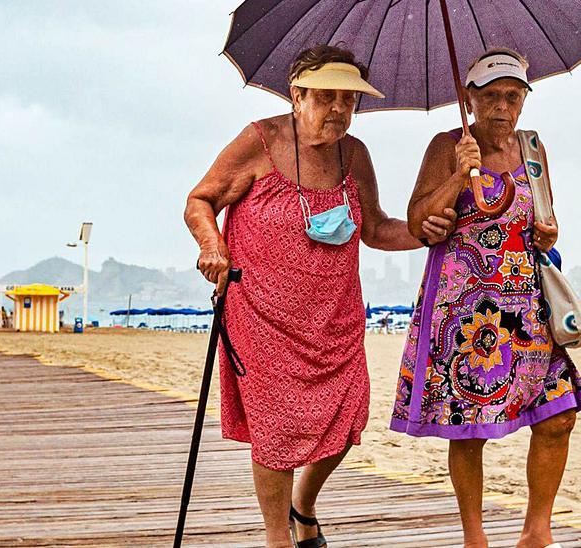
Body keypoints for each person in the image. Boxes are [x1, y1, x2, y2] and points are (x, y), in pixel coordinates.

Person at [184, 45, 456, 548]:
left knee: (351, 416)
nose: (338, 109)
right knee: (277, 430)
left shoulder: (353, 153)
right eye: (326, 97)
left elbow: (375, 228)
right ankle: (277, 539)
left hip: (336, 319)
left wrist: (428, 233)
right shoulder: (259, 141)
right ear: (297, 95)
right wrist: (211, 245)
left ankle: (302, 506)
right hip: (261, 315)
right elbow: (200, 200)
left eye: (348, 99)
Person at [391, 48, 581, 548]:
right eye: (490, 96)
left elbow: (544, 218)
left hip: (527, 306)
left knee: (559, 415)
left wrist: (548, 232)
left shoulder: (532, 149)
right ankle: (474, 538)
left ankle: (536, 532)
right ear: (469, 98)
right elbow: (418, 221)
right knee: (469, 428)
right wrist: (459, 176)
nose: (502, 106)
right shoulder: (447, 145)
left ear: (524, 99)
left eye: (513, 95)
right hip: (464, 310)